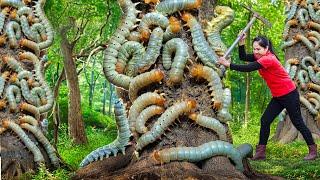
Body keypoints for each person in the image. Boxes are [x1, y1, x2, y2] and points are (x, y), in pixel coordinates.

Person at [218, 34, 318, 161]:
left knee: (297, 122)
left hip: (289, 94)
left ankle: (313, 151)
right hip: (278, 96)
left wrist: (228, 64)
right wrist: (241, 42)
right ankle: (261, 152)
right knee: (265, 120)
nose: (255, 52)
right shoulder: (260, 56)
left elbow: (249, 68)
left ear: (266, 48)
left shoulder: (269, 59)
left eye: (258, 49)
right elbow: (243, 57)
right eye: (254, 49)